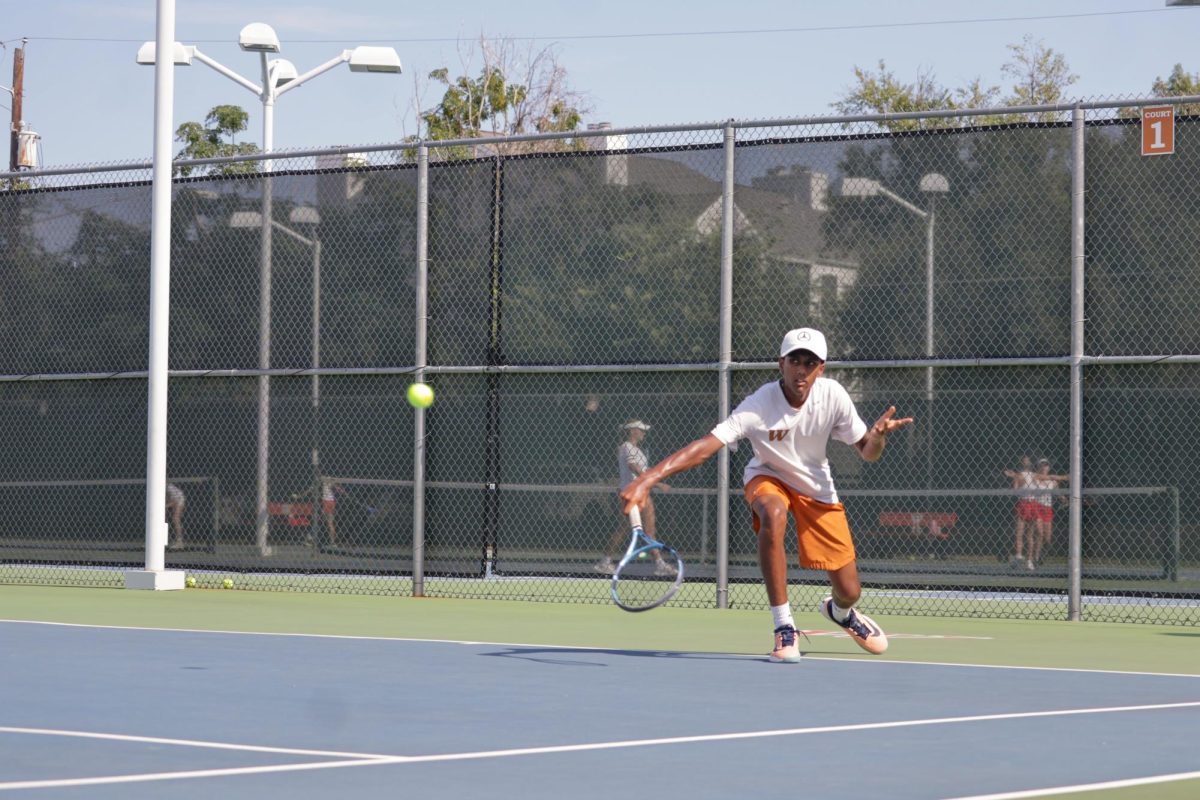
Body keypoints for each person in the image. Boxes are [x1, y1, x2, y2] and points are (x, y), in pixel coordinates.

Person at [620, 328, 912, 663]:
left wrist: (877, 438)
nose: (801, 369)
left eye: (810, 362)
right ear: (781, 364)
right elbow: (704, 448)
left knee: (850, 591)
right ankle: (783, 626)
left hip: (816, 488)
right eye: (795, 361)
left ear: (821, 368)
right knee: (773, 514)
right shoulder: (759, 404)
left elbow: (868, 453)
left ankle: (841, 613)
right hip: (767, 477)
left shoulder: (833, 396)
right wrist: (647, 479)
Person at [596, 420, 676, 576]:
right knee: (643, 530)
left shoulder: (636, 450)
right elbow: (635, 468)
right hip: (634, 493)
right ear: (633, 431)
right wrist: (659, 484)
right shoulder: (627, 447)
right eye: (641, 430)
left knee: (634, 529)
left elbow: (642, 470)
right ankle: (659, 565)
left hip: (639, 492)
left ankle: (605, 561)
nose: (644, 433)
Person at [1029, 458, 1069, 569]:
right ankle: (1035, 558)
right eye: (1042, 465)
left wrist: (1064, 499)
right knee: (1039, 534)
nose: (1044, 467)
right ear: (1038, 467)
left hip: (1047, 509)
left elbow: (1058, 493)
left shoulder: (1053, 482)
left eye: (1046, 465)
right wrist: (1065, 477)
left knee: (1047, 538)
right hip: (1036, 507)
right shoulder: (1034, 478)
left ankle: (1042, 555)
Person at [1003, 456, 1038, 569]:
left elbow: (1048, 477)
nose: (1026, 461)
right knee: (1019, 532)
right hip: (1022, 504)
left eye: (1028, 460)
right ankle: (1018, 556)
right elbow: (1015, 490)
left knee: (1030, 535)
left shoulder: (1034, 475)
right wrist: (1015, 478)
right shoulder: (1018, 476)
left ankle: (1029, 560)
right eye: (1024, 460)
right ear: (1021, 463)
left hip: (1032, 503)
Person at [165, 482, 186, 549]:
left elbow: (175, 501)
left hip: (178, 500)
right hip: (172, 500)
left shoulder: (170, 488)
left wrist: (165, 506)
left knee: (175, 518)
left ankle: (179, 541)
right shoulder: (162, 487)